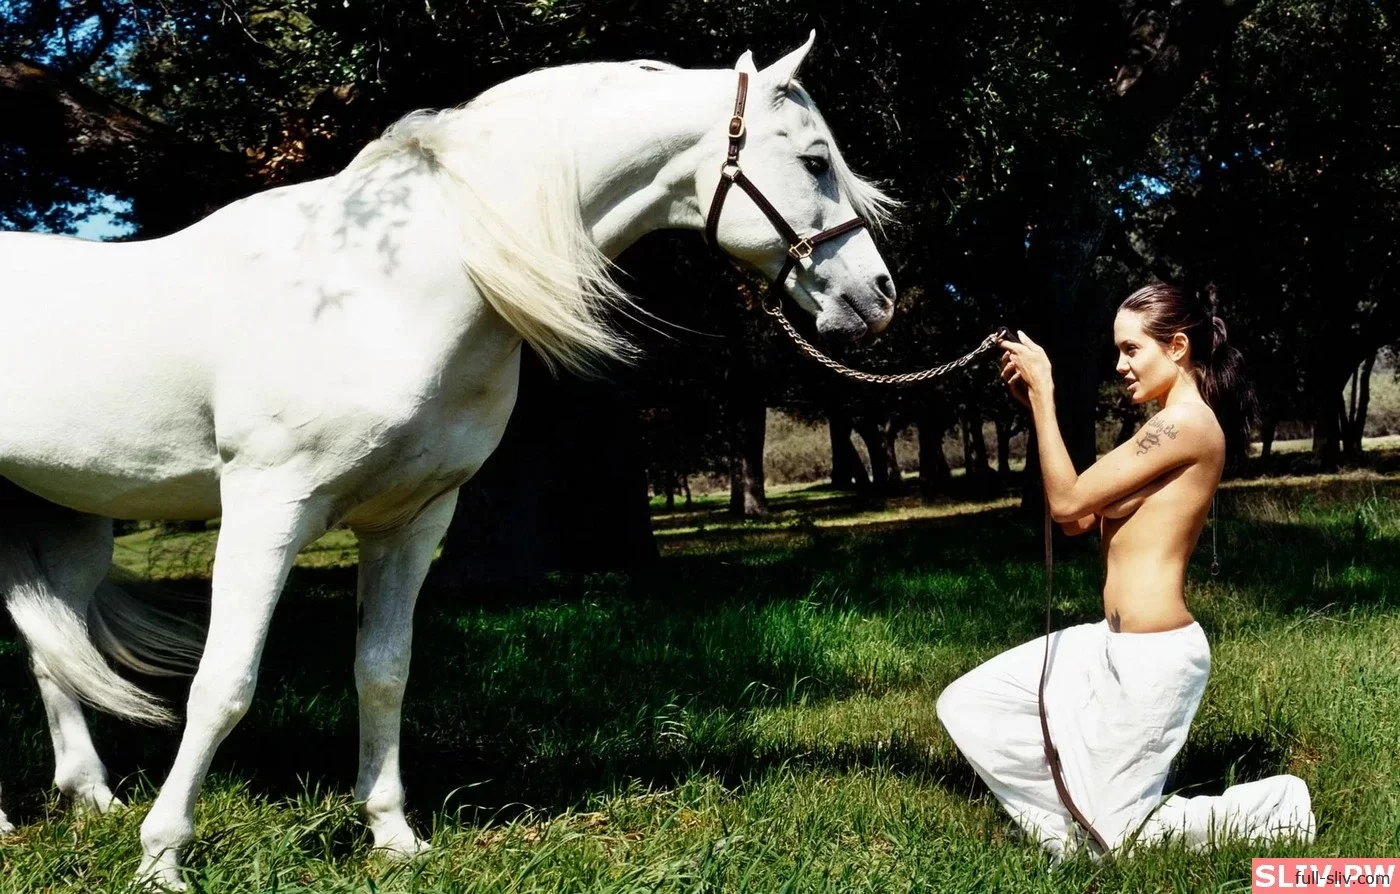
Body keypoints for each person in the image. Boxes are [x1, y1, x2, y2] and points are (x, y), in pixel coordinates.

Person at [935, 282, 1316, 858]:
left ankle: (1277, 807)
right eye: (1118, 350)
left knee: (1119, 841)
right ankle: (1069, 829)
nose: (1119, 365)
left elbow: (1065, 502)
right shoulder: (1159, 428)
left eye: (1132, 349)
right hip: (1107, 644)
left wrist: (1046, 395)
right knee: (969, 704)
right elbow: (1076, 520)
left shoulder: (1185, 425)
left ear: (1178, 347)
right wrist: (1036, 409)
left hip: (1154, 658)